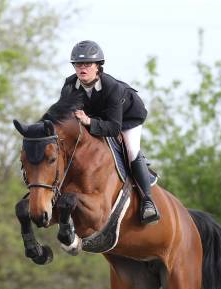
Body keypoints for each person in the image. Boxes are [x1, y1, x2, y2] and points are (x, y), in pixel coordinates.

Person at [60, 40, 159, 224]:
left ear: (98, 66)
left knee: (131, 151)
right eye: (78, 64)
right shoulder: (69, 85)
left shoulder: (113, 88)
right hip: (95, 117)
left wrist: (89, 121)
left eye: (87, 64)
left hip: (127, 120)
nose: (82, 68)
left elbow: (113, 128)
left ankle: (148, 201)